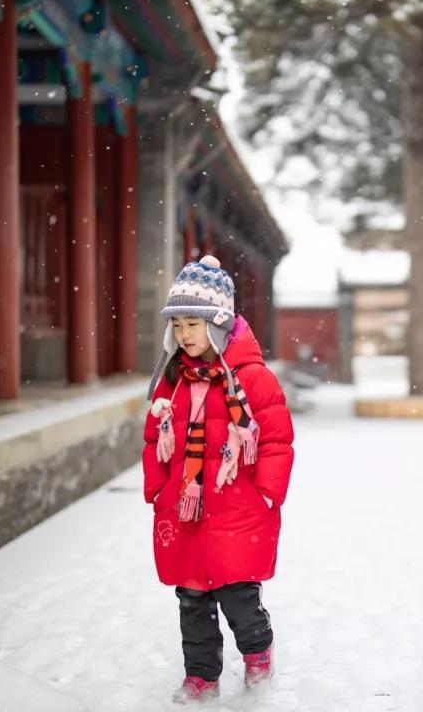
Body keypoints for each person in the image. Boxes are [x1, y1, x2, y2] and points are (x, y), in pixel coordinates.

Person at [143, 256, 294, 704]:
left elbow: (276, 440)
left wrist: (268, 492)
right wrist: (157, 487)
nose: (185, 335)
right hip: (185, 508)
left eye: (194, 323)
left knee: (238, 595)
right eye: (179, 325)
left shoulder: (252, 380)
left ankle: (257, 651)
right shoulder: (173, 381)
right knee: (192, 600)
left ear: (220, 325)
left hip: (238, 507)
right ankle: (201, 675)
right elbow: (154, 439)